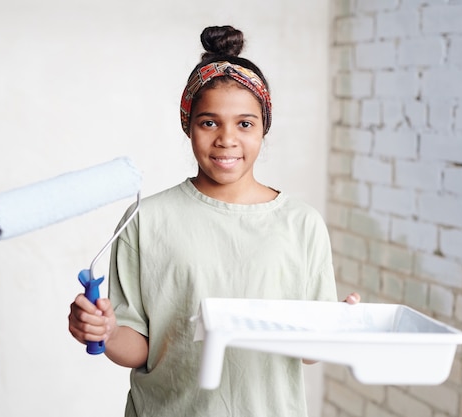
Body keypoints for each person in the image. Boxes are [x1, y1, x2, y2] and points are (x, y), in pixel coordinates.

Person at [68, 25, 360, 417]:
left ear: (263, 129)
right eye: (209, 122)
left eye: (244, 123)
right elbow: (139, 346)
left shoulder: (302, 223)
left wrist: (338, 325)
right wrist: (108, 332)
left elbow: (308, 353)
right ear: (188, 125)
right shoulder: (146, 219)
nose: (227, 139)